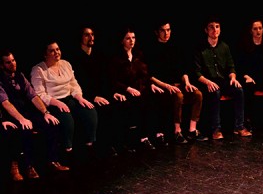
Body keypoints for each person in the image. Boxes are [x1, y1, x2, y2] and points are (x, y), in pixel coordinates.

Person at [0, 49, 69, 180]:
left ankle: (52, 161)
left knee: (51, 123)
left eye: (13, 60)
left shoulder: (20, 76)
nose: (12, 64)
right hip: (10, 115)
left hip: (25, 112)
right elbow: (5, 103)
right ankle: (26, 166)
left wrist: (46, 112)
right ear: (2, 65)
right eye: (8, 62)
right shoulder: (1, 80)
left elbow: (33, 96)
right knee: (24, 129)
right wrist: (21, 119)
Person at [30, 38, 99, 162]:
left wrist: (80, 97)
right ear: (45, 54)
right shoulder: (38, 70)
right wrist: (56, 102)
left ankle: (89, 146)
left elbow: (74, 84)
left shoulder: (65, 64)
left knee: (90, 111)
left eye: (57, 49)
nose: (57, 52)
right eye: (52, 51)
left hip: (69, 98)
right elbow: (40, 94)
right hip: (52, 102)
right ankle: (68, 152)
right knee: (67, 120)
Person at [108, 26, 168, 151]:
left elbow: (145, 75)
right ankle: (142, 137)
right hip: (125, 90)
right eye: (128, 38)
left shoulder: (138, 54)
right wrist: (127, 88)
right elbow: (113, 80)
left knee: (157, 96)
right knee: (139, 101)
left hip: (140, 88)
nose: (131, 41)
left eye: (133, 38)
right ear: (122, 41)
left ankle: (157, 133)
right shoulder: (116, 58)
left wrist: (151, 84)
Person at [145, 20, 205, 144]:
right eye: (163, 30)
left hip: (178, 84)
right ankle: (177, 131)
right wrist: (166, 86)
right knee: (179, 96)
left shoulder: (175, 48)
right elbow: (150, 76)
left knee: (197, 94)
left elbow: (183, 70)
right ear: (157, 32)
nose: (166, 33)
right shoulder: (151, 50)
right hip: (162, 87)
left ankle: (192, 130)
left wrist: (187, 82)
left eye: (168, 30)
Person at [193, 15, 252, 140]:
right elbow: (197, 73)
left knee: (239, 90)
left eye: (217, 27)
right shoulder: (200, 48)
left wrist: (233, 78)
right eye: (211, 27)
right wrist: (208, 82)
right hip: (207, 82)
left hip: (222, 81)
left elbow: (231, 67)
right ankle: (216, 129)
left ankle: (239, 126)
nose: (215, 30)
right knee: (215, 92)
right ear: (206, 30)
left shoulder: (224, 47)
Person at [70, 26, 122, 156]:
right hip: (84, 95)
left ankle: (115, 143)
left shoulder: (98, 55)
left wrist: (111, 93)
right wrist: (93, 97)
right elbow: (77, 83)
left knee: (117, 104)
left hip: (101, 93)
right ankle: (100, 147)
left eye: (92, 34)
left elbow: (105, 78)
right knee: (103, 109)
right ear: (80, 38)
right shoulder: (75, 58)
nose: (91, 37)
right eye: (87, 35)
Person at [235, 18, 263, 133]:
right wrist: (246, 76)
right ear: (251, 31)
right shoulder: (245, 46)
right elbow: (240, 66)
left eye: (260, 28)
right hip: (252, 79)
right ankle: (248, 121)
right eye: (255, 29)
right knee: (246, 89)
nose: (258, 31)